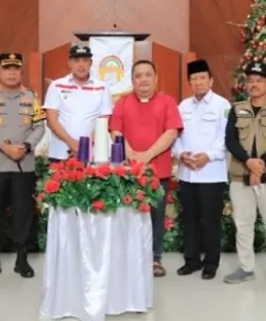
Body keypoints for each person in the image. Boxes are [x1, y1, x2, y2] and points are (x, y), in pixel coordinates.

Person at [109, 59, 183, 277]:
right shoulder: (122, 103)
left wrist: (148, 155)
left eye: (147, 75)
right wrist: (131, 154)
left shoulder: (167, 101)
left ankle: (155, 259)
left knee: (155, 217)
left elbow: (171, 132)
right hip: (129, 172)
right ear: (132, 80)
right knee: (129, 215)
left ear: (155, 78)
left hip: (157, 172)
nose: (143, 79)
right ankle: (128, 258)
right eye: (138, 75)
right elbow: (115, 130)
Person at [0, 53, 46, 280]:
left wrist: (26, 146)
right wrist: (5, 148)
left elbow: (39, 127)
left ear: (21, 72)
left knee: (23, 216)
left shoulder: (31, 97)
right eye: (7, 68)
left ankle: (22, 260)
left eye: (16, 68)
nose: (11, 72)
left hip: (23, 167)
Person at [224, 61, 266, 290]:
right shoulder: (236, 109)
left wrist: (259, 167)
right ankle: (246, 268)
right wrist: (248, 162)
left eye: (259, 80)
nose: (254, 84)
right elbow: (230, 140)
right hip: (240, 175)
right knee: (243, 225)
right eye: (250, 80)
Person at [172, 59, 230, 280]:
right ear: (189, 82)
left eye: (202, 78)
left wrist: (209, 156)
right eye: (194, 79)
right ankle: (192, 260)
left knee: (211, 219)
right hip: (187, 173)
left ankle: (211, 263)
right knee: (190, 219)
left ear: (211, 80)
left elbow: (226, 138)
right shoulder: (182, 106)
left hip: (212, 173)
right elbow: (175, 137)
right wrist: (181, 155)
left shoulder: (222, 105)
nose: (198, 82)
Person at [44, 43, 113, 162]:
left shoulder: (102, 87)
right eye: (76, 60)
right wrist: (72, 143)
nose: (81, 64)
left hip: (93, 153)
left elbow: (105, 120)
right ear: (69, 63)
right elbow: (51, 120)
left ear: (90, 63)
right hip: (61, 153)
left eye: (85, 60)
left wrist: (84, 146)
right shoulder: (56, 85)